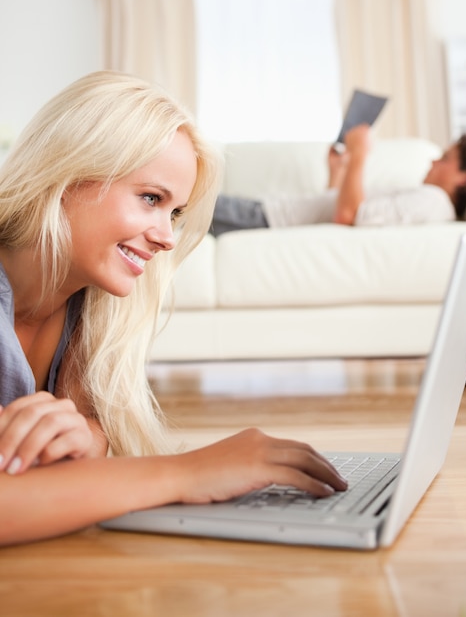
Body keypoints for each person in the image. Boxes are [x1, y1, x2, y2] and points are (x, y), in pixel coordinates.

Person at [0, 71, 347, 547]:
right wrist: (186, 473)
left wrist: (86, 437)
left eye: (175, 213)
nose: (166, 237)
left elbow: (91, 428)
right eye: (150, 199)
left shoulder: (90, 308)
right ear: (66, 176)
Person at [210, 124, 466, 236]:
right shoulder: (428, 200)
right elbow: (340, 208)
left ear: (464, 178)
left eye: (445, 158)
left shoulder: (433, 201)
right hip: (267, 213)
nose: (433, 160)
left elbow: (347, 216)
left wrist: (359, 155)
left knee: (182, 201)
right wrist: (338, 173)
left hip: (265, 218)